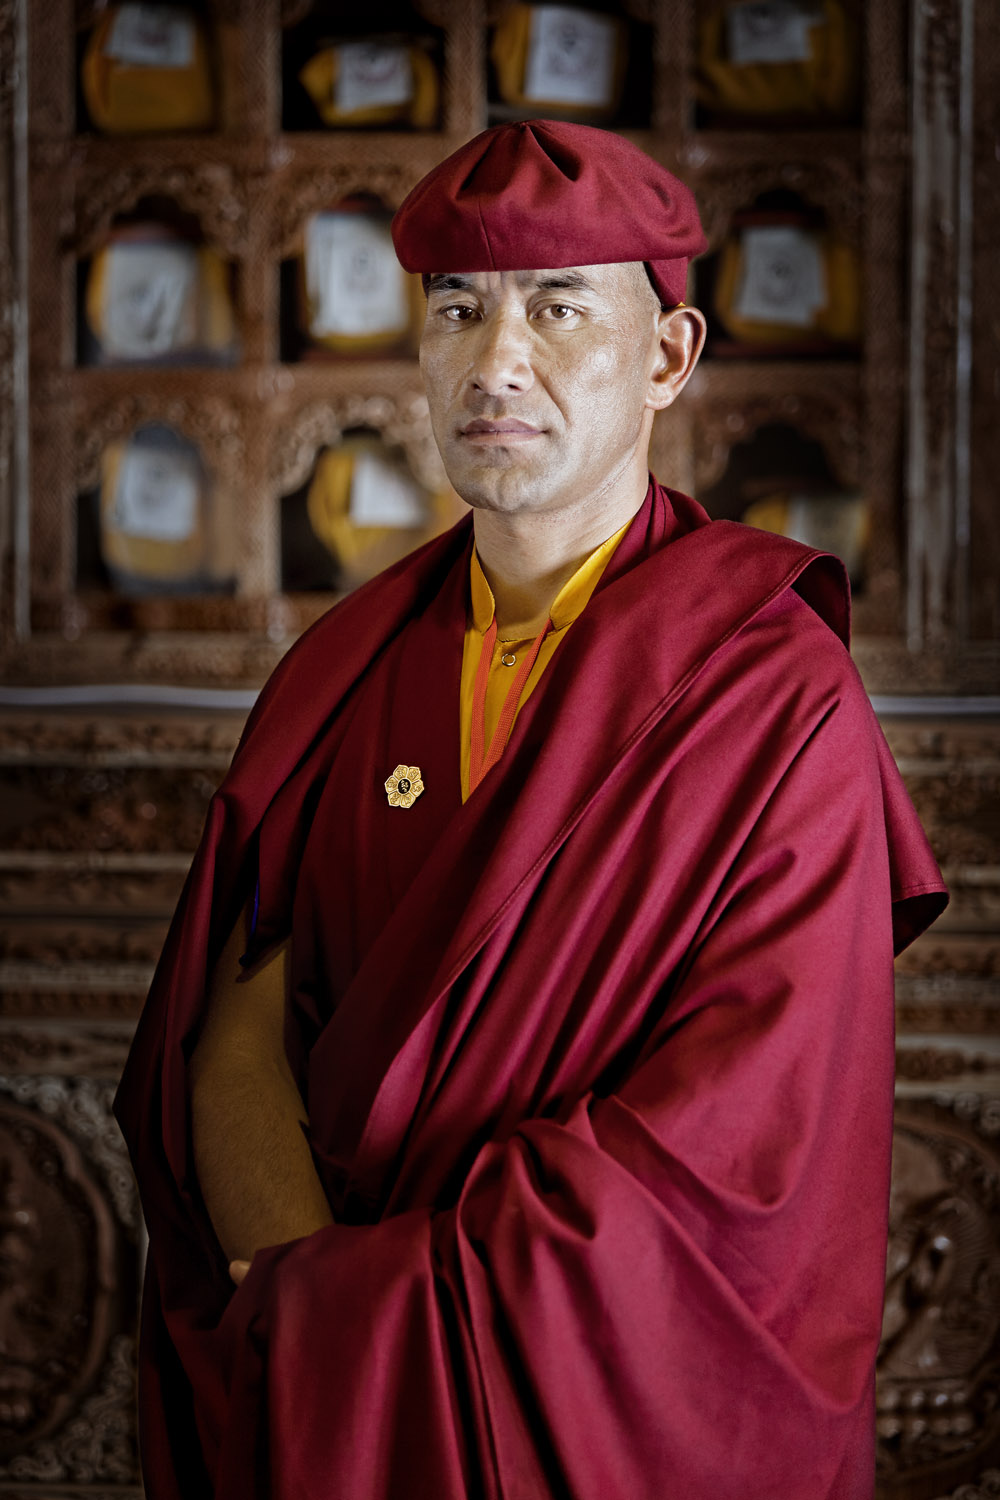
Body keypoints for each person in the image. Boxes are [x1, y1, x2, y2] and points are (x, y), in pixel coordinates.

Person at [115, 120, 947, 1500]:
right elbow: (235, 1027)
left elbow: (738, 1145)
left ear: (668, 359)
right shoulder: (342, 671)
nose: (497, 362)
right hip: (333, 1366)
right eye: (459, 311)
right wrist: (308, 1299)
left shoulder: (773, 694)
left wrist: (368, 1313)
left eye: (559, 309)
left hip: (615, 1395)